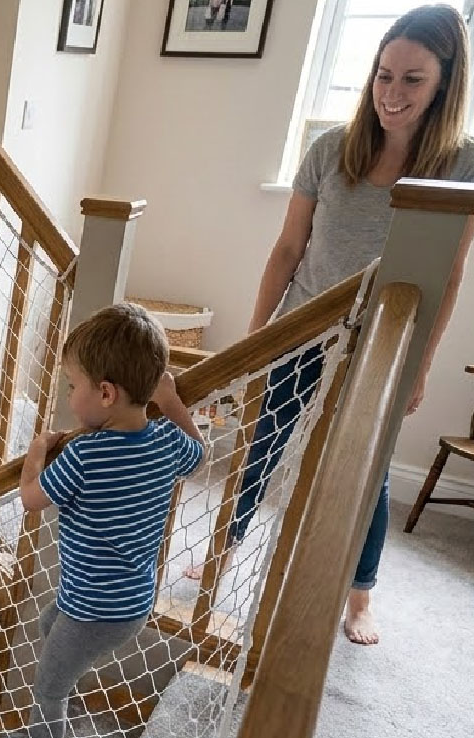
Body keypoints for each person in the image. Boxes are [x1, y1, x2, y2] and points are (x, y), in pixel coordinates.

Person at [186, 3, 474, 646]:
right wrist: (256, 340)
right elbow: (288, 250)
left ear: (444, 84)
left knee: (368, 473)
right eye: (383, 74)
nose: (392, 92)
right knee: (260, 446)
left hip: (381, 346)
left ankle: (360, 593)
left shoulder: (462, 166)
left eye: (413, 79)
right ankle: (220, 555)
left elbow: (448, 276)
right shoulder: (330, 150)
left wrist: (420, 365)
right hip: (303, 330)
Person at [0, 304, 205, 738]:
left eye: (72, 386)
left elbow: (32, 500)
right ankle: (43, 731)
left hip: (92, 609)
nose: (68, 397)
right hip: (127, 603)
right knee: (46, 627)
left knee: (48, 687)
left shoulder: (84, 456)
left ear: (106, 394)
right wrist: (171, 401)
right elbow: (198, 454)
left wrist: (36, 453)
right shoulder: (164, 441)